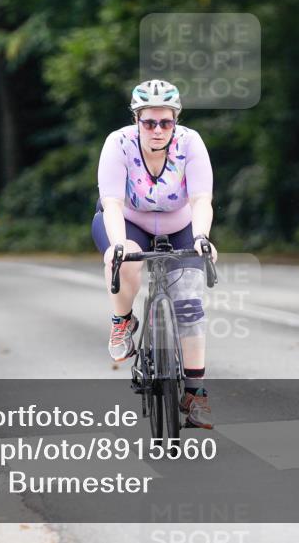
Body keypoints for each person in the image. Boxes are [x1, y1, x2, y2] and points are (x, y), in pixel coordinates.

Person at [92, 79, 217, 429]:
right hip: (128, 221)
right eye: (149, 122)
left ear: (175, 120)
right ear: (137, 119)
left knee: (189, 301)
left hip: (180, 223)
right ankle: (122, 321)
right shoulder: (118, 143)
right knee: (124, 260)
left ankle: (195, 393)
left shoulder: (190, 142)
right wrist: (118, 244)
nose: (158, 130)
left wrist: (201, 237)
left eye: (165, 122)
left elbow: (201, 199)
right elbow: (112, 203)